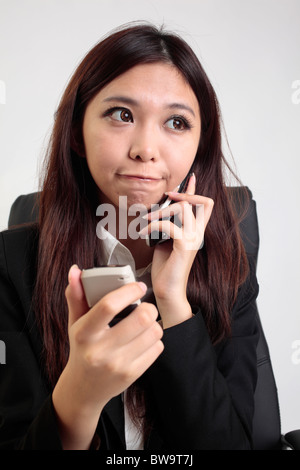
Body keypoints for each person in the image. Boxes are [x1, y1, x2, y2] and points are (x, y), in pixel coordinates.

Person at [0, 23, 259, 450]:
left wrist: (174, 303)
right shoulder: (11, 265)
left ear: (200, 144)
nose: (146, 148)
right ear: (78, 135)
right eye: (122, 115)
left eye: (176, 122)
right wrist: (78, 396)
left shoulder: (230, 264)